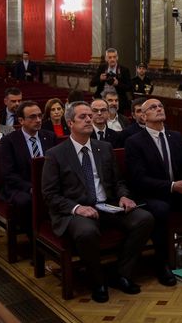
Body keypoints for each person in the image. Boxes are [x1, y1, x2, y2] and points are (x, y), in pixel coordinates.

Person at [41, 102, 154, 303]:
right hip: (75, 211)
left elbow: (117, 181)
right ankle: (97, 281)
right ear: (70, 123)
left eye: (89, 116)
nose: (88, 119)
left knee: (144, 218)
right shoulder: (56, 154)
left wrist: (123, 196)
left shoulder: (104, 147)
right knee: (87, 231)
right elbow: (50, 194)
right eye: (82, 117)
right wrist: (77, 208)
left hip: (106, 205)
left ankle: (121, 273)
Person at [124, 98, 182, 282]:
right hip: (150, 194)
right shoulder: (134, 142)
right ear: (143, 117)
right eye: (153, 107)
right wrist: (171, 186)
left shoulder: (174, 136)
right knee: (161, 209)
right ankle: (163, 264)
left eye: (160, 106)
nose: (158, 109)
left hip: (177, 191)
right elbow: (139, 179)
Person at [0, 100, 57, 234]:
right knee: (26, 201)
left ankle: (53, 233)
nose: (38, 120)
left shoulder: (49, 136)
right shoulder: (9, 141)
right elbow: (8, 174)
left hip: (47, 184)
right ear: (21, 120)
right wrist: (31, 188)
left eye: (39, 116)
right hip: (20, 187)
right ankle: (33, 237)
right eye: (32, 117)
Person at [91, 48, 132, 112]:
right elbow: (91, 84)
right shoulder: (102, 67)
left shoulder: (124, 70)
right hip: (102, 99)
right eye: (110, 57)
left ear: (117, 58)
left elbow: (129, 87)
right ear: (106, 59)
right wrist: (100, 79)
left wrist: (118, 84)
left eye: (114, 57)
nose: (112, 59)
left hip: (118, 101)